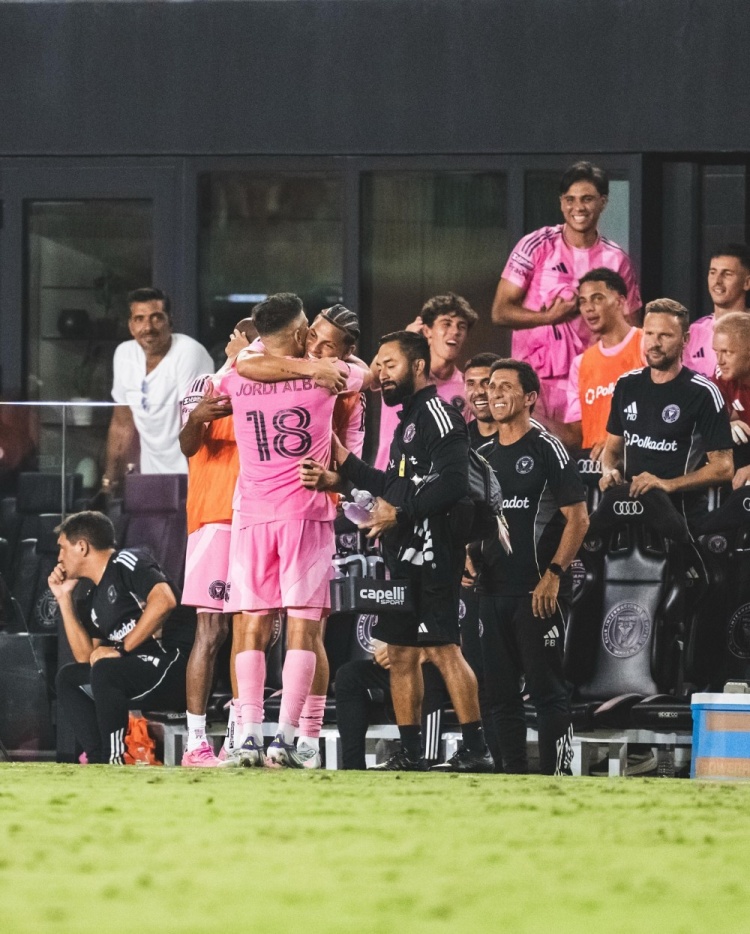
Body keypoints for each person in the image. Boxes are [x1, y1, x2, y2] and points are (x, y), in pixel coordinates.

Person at [305, 330, 493, 772]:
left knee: (444, 649)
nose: (381, 373)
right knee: (402, 652)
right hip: (403, 556)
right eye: (379, 365)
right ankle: (411, 753)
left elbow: (454, 484)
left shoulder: (439, 415)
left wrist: (401, 513)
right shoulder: (407, 421)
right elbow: (393, 486)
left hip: (435, 553)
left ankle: (476, 749)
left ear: (419, 366)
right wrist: (344, 471)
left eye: (390, 364)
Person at [218, 293, 369, 768]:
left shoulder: (238, 375)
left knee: (252, 625)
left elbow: (238, 367)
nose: (313, 337)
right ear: (300, 332)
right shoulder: (331, 377)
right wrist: (315, 367)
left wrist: (257, 358)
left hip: (251, 516)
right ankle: (285, 740)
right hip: (305, 514)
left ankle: (246, 736)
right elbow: (365, 373)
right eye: (308, 328)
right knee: (303, 628)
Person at [468, 359, 589, 774]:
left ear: (530, 397)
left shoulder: (547, 448)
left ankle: (557, 775)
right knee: (498, 694)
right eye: (490, 386)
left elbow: (579, 519)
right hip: (492, 592)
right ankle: (511, 778)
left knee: (546, 691)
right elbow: (475, 520)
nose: (494, 393)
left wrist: (554, 575)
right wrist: (467, 553)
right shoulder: (481, 456)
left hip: (538, 592)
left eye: (505, 386)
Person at [492, 161, 641, 425]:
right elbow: (500, 312)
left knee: (586, 450)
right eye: (570, 199)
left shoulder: (617, 259)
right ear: (561, 203)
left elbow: (631, 330)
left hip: (589, 381)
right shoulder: (536, 245)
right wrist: (548, 318)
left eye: (587, 199)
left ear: (603, 202)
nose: (578, 208)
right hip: (532, 380)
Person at [51, 511, 194, 765]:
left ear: (82, 546)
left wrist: (122, 649)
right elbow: (87, 657)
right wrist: (64, 598)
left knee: (106, 669)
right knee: (69, 678)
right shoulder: (94, 597)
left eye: (62, 548)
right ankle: (97, 760)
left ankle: (114, 758)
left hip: (174, 667)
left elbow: (164, 600)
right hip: (137, 672)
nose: (59, 557)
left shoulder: (127, 561)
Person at [177, 319, 256, 767]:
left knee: (253, 634)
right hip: (214, 519)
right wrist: (198, 417)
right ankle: (194, 742)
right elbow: (188, 446)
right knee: (211, 632)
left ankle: (237, 737)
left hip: (259, 520)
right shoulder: (204, 384)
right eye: (248, 336)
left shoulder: (273, 388)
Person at [600, 298, 733, 526]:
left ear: (685, 340)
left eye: (665, 335)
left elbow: (724, 468)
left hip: (682, 517)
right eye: (649, 334)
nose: (654, 343)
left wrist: (667, 484)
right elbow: (612, 450)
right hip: (631, 515)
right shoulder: (626, 385)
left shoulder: (703, 393)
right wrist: (609, 471)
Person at [103, 287, 214, 490]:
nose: (148, 327)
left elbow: (195, 422)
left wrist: (200, 488)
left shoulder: (189, 352)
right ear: (130, 326)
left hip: (193, 477)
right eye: (139, 319)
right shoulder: (124, 354)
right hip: (151, 478)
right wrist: (108, 483)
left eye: (156, 318)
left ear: (170, 322)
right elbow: (121, 425)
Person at [374, 293, 477, 470]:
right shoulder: (399, 372)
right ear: (427, 331)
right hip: (386, 479)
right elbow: (371, 376)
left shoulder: (466, 387)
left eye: (462, 326)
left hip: (433, 484)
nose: (455, 331)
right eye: (446, 324)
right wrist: (402, 341)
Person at [562, 268, 645, 458]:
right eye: (583, 301)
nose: (588, 308)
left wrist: (615, 444)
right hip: (594, 468)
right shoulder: (580, 364)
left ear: (620, 301)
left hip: (638, 464)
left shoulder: (646, 346)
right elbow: (576, 430)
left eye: (597, 298)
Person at [334, 640, 449, 770]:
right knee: (349, 675)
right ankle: (353, 767)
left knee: (427, 673)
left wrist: (427, 651)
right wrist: (385, 653)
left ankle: (426, 760)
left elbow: (461, 638)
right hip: (402, 667)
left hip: (440, 669)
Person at [685, 243, 750, 378]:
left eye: (727, 274)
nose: (717, 281)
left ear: (747, 283)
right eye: (713, 272)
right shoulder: (694, 332)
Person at [712, 312, 750, 488]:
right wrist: (727, 424)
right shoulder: (722, 375)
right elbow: (708, 423)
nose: (720, 361)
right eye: (716, 352)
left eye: (727, 352)